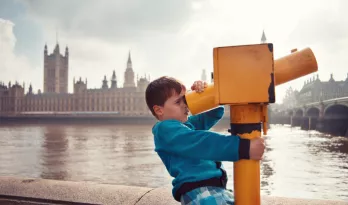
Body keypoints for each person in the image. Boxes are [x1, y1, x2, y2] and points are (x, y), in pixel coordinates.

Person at [145, 76, 265, 205]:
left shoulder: (186, 125)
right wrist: (243, 147)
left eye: (185, 99)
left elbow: (214, 113)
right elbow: (201, 142)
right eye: (178, 102)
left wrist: (203, 94)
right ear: (159, 110)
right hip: (199, 191)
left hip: (212, 189)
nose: (185, 105)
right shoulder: (165, 130)